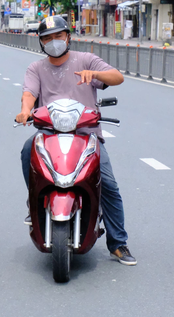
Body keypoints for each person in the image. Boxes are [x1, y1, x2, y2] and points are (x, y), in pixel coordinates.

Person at [15, 15, 136, 266]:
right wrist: (26, 111)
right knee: (28, 149)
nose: (53, 42)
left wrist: (94, 73)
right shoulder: (36, 68)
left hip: (86, 135)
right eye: (47, 38)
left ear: (68, 37)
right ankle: (35, 200)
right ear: (40, 43)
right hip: (48, 133)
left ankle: (118, 243)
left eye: (58, 36)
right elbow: (29, 94)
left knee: (109, 185)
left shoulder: (85, 60)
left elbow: (117, 77)